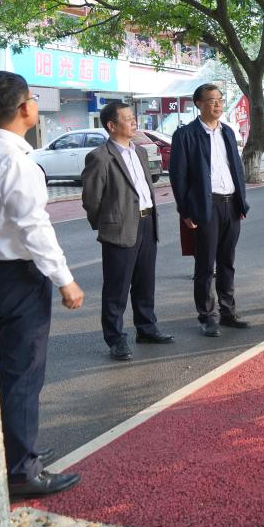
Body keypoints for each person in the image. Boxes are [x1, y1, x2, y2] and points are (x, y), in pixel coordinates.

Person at [0, 71, 83, 498]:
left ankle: (14, 450)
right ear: (24, 108)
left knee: (2, 369)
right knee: (22, 373)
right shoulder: (16, 160)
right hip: (19, 275)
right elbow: (34, 227)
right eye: (33, 98)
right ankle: (22, 470)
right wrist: (65, 280)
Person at [82, 101, 174, 361]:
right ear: (112, 125)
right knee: (117, 287)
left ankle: (147, 328)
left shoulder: (140, 152)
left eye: (134, 117)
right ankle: (115, 339)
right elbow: (91, 199)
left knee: (145, 282)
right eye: (127, 118)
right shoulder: (100, 156)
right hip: (119, 228)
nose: (134, 122)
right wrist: (108, 223)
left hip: (147, 222)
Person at [169, 84, 251, 337]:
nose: (217, 104)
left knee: (228, 262)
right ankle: (207, 316)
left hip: (231, 204)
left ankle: (228, 312)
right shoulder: (185, 135)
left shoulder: (227, 132)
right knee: (205, 265)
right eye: (211, 100)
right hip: (206, 206)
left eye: (220, 100)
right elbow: (178, 176)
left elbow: (236, 169)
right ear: (199, 104)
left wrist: (241, 201)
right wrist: (185, 211)